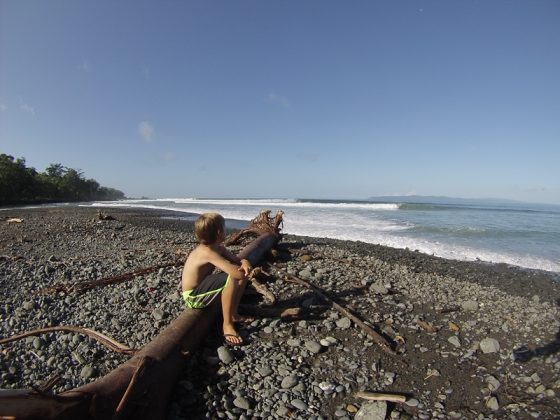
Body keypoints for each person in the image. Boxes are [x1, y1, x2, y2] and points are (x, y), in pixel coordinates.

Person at [181, 213, 252, 345]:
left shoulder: (219, 249)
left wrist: (245, 261)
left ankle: (233, 314)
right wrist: (243, 268)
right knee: (231, 278)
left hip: (201, 287)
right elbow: (237, 274)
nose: (226, 230)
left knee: (238, 276)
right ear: (219, 233)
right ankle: (227, 325)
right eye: (225, 228)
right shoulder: (207, 253)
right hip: (193, 297)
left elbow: (238, 261)